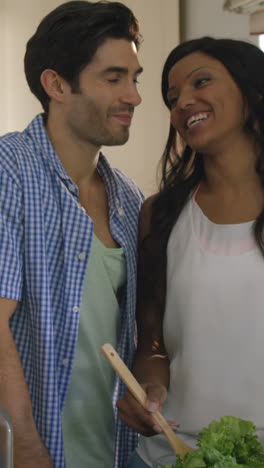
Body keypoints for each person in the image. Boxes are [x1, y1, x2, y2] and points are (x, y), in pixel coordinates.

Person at [0, 1, 144, 467]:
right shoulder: (11, 170)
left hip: (115, 449)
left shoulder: (129, 197)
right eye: (113, 78)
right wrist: (24, 442)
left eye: (134, 78)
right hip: (39, 452)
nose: (134, 96)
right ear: (57, 84)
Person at [116, 36, 264, 468]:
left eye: (202, 82)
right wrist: (150, 389)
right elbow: (154, 342)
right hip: (171, 453)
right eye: (172, 96)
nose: (183, 103)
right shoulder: (161, 214)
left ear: (251, 89)